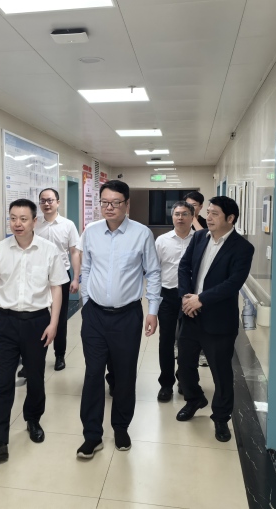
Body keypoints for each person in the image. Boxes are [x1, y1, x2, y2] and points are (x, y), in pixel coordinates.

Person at [0, 199, 69, 461]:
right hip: (6, 322)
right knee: (3, 381)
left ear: (34, 221)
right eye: (13, 218)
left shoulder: (49, 250)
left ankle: (33, 419)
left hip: (37, 322)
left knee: (36, 377)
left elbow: (57, 288)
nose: (17, 224)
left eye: (23, 219)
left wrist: (53, 322)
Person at [77, 180, 161, 459]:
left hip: (127, 316)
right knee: (93, 374)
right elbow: (86, 268)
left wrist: (152, 310)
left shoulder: (141, 234)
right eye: (104, 202)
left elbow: (153, 273)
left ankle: (121, 427)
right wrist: (86, 302)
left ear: (127, 204)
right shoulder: (91, 232)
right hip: (95, 315)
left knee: (124, 374)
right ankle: (92, 435)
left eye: (115, 203)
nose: (109, 207)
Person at [176, 196, 254, 443]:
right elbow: (184, 267)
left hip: (218, 321)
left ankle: (221, 417)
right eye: (208, 212)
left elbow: (233, 283)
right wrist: (187, 297)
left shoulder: (242, 248)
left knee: (221, 373)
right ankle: (194, 399)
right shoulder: (199, 237)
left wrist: (201, 299)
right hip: (191, 315)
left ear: (230, 218)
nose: (208, 217)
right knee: (184, 365)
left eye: (214, 214)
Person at [34, 188, 81, 371]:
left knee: (60, 318)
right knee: (36, 317)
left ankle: (59, 355)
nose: (46, 204)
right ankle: (33, 358)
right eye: (43, 201)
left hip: (61, 277)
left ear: (58, 202)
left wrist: (76, 278)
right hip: (38, 277)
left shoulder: (68, 225)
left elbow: (74, 252)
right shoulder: (35, 224)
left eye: (50, 200)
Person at [154, 201, 195, 402]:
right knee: (166, 341)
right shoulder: (162, 241)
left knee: (189, 342)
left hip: (191, 298)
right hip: (167, 296)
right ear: (172, 217)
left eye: (185, 214)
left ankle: (185, 380)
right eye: (177, 214)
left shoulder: (200, 239)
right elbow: (154, 270)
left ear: (192, 217)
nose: (180, 218)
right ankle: (166, 384)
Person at [184, 191, 209, 368]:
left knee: (202, 319)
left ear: (200, 207)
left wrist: (193, 219)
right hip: (185, 278)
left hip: (202, 280)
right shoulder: (181, 220)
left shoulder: (206, 223)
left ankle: (203, 352)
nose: (189, 209)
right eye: (187, 205)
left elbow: (206, 238)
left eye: (193, 206)